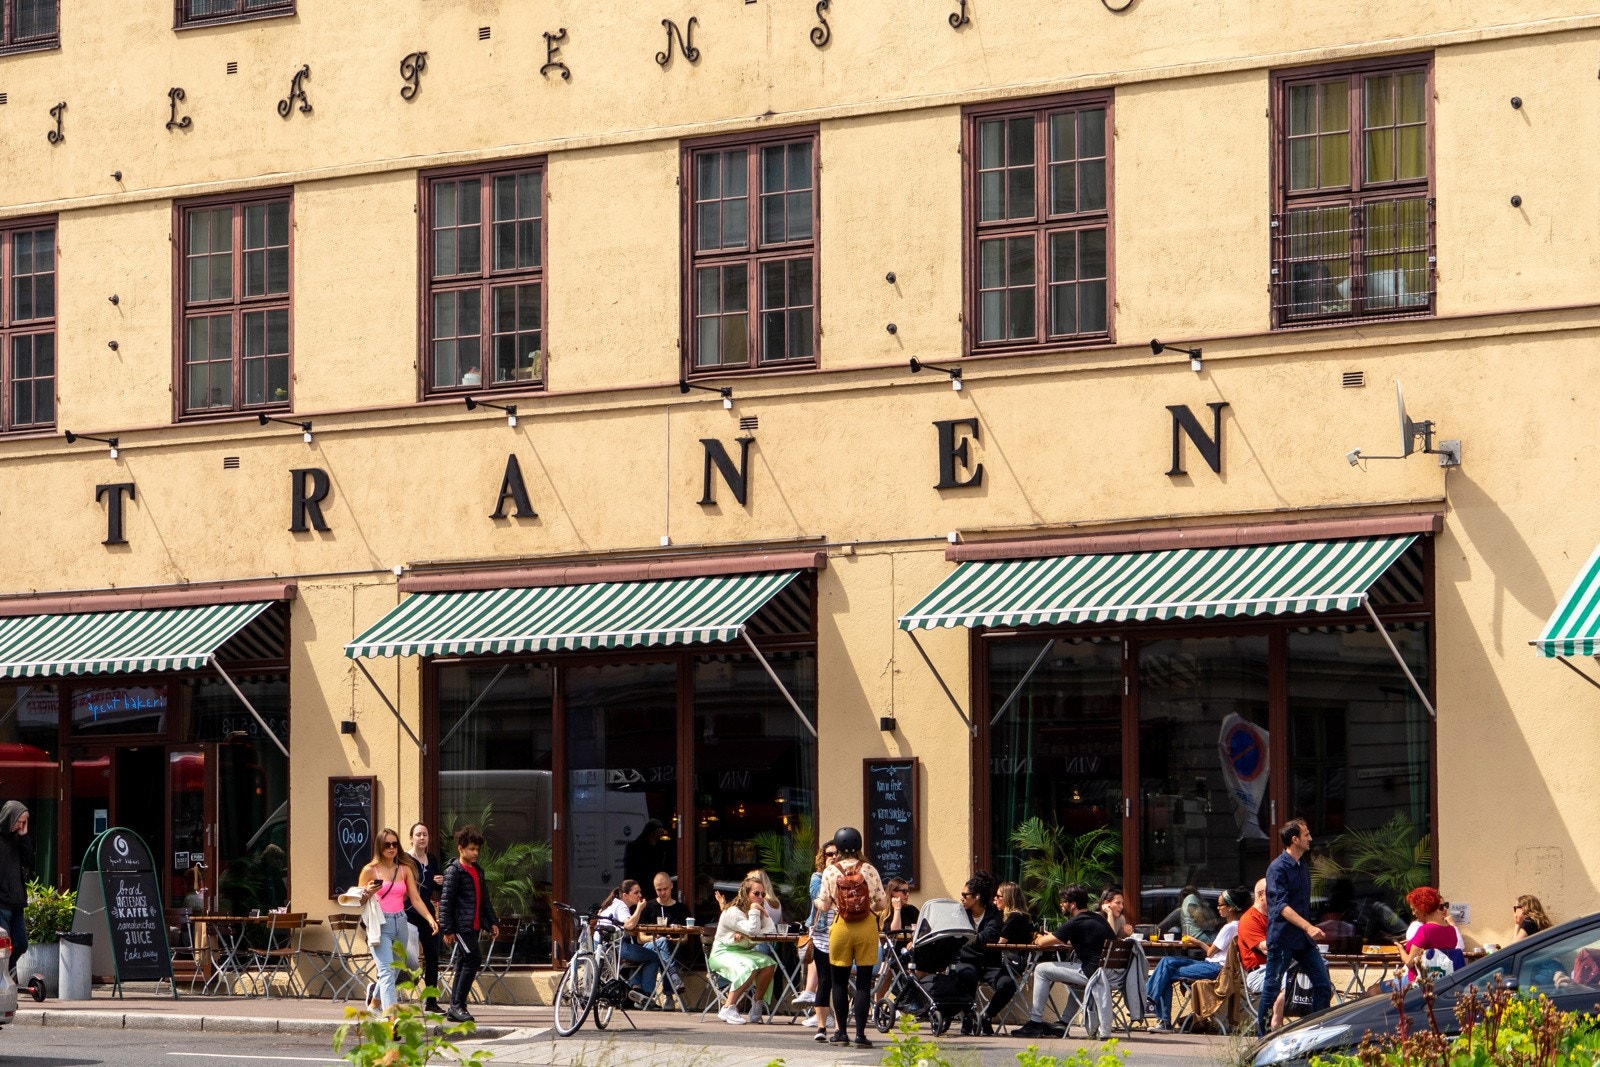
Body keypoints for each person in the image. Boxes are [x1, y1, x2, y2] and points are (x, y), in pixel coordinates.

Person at [1256, 818, 1332, 1036]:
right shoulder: (1277, 868)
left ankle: (1317, 1033)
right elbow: (1280, 906)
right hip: (1283, 938)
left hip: (1303, 940)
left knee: (1322, 984)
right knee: (1272, 986)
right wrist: (1308, 927)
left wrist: (1308, 929)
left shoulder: (1302, 866)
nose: (1310, 839)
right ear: (1294, 839)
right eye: (1306, 835)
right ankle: (1263, 1037)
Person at [815, 826, 888, 1048]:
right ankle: (861, 1035)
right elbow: (882, 903)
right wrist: (868, 906)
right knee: (864, 983)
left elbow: (825, 904)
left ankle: (841, 1033)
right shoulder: (869, 869)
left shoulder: (830, 871)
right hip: (866, 926)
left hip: (841, 926)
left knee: (839, 981)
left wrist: (817, 902)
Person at [1014, 885, 1113, 1040]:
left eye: (1063, 902)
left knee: (1041, 970)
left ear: (1072, 904)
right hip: (1109, 974)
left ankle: (1034, 1022)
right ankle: (1064, 1023)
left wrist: (1038, 937)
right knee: (1077, 982)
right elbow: (1087, 940)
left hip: (1093, 975)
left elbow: (1041, 943)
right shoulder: (1098, 918)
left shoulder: (1076, 922)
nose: (1061, 905)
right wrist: (1056, 936)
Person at [358, 827, 439, 1015]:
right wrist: (368, 892)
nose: (392, 848)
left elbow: (416, 898)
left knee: (395, 969)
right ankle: (391, 1019)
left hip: (401, 922)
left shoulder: (404, 869)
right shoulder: (370, 870)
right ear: (380, 846)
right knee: (386, 971)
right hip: (380, 924)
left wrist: (429, 918)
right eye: (387, 844)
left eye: (395, 844)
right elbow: (358, 901)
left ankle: (375, 1002)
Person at [1146, 886, 1249, 1031]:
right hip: (1217, 967)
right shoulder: (1239, 926)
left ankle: (1155, 1009)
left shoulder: (1229, 928)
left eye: (1220, 905)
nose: (1218, 908)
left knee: (1166, 969)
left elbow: (1210, 953)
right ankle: (1154, 1006)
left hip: (1216, 969)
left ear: (1231, 908)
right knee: (1166, 962)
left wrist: (1197, 942)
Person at [438, 825, 499, 1023]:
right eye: (471, 849)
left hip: (473, 925)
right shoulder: (453, 871)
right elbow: (446, 902)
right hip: (461, 926)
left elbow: (485, 900)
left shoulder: (477, 871)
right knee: (473, 958)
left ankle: (455, 1008)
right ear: (461, 848)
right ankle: (457, 1005)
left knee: (464, 962)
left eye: (477, 850)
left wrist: (492, 922)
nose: (475, 853)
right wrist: (447, 929)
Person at [708, 876, 777, 1025]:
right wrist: (753, 912)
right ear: (745, 894)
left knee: (769, 963)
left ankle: (757, 1006)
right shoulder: (733, 912)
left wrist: (748, 932)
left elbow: (770, 930)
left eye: (762, 894)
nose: (760, 897)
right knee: (751, 966)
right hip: (723, 952)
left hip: (743, 952)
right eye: (756, 894)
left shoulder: (757, 911)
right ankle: (728, 1007)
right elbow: (754, 932)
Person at [954, 870, 1015, 1036]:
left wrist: (971, 938)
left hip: (990, 963)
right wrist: (975, 940)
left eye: (965, 895)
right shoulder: (960, 913)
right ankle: (968, 1016)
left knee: (1008, 984)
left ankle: (987, 1016)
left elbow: (991, 934)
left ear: (977, 897)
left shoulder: (994, 913)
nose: (962, 898)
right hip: (967, 960)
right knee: (966, 974)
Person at [597, 879, 663, 1005]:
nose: (640, 895)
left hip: (604, 949)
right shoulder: (622, 906)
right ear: (625, 896)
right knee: (653, 957)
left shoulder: (611, 905)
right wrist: (639, 909)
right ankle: (646, 997)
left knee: (640, 955)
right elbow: (629, 925)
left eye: (640, 892)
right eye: (636, 892)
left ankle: (636, 988)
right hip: (617, 948)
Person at [402, 822, 445, 1013]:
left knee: (432, 954)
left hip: (427, 912)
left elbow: (435, 888)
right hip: (408, 911)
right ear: (411, 838)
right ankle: (392, 994)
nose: (422, 838)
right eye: (418, 834)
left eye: (425, 835)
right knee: (407, 956)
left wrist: (440, 881)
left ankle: (431, 1000)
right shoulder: (404, 859)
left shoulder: (432, 859)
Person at [795, 842, 838, 1011]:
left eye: (836, 854)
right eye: (829, 854)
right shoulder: (818, 877)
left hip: (840, 927)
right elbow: (818, 897)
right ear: (823, 857)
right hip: (821, 929)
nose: (833, 857)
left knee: (830, 975)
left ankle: (822, 1011)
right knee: (823, 969)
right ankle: (812, 998)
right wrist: (829, 874)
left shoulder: (847, 876)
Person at [1396, 887, 1465, 985]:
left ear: (1422, 908)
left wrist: (1400, 949)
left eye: (1414, 909)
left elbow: (1409, 963)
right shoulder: (1452, 930)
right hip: (1443, 983)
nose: (1413, 913)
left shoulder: (1425, 930)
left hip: (1419, 985)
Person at [0, 801, 33, 971]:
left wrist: (24, 836)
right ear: (9, 817)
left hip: (17, 903)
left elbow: (29, 862)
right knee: (2, 947)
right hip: (1, 903)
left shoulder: (18, 838)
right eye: (18, 821)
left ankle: (4, 975)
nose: (20, 825)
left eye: (24, 822)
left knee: (21, 944)